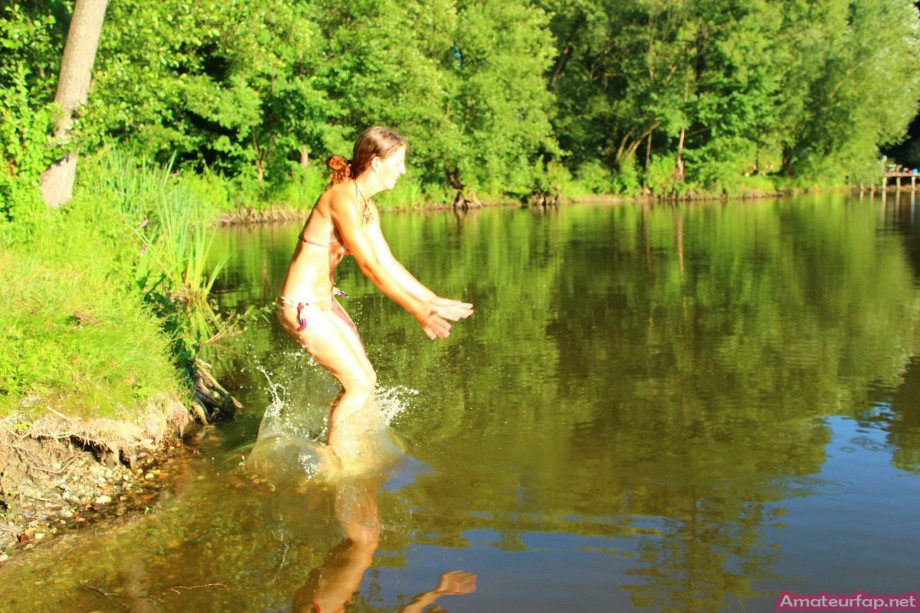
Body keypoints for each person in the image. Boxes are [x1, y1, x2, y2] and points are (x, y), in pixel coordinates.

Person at [276, 126, 474, 465]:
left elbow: (387, 262)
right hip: (301, 307)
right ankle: (338, 467)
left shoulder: (366, 206)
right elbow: (368, 267)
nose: (403, 170)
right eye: (398, 162)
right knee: (359, 386)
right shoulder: (341, 197)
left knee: (367, 380)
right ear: (376, 162)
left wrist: (431, 300)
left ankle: (346, 449)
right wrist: (416, 311)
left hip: (324, 303)